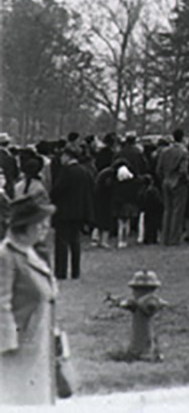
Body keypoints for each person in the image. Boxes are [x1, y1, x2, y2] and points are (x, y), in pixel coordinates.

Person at [0, 195, 58, 405]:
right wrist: (8, 346)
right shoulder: (6, 256)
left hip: (40, 345)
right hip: (19, 350)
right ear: (24, 225)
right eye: (39, 221)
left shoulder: (33, 253)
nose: (45, 226)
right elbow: (1, 304)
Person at [49, 147, 93, 281]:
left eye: (63, 156)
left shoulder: (66, 172)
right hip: (79, 211)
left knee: (61, 242)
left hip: (64, 211)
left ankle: (61, 271)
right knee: (75, 241)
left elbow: (57, 190)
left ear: (68, 157)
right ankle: (75, 271)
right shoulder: (84, 171)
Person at [155, 129, 189, 246]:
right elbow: (183, 170)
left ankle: (165, 238)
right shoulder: (184, 152)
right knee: (177, 212)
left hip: (166, 181)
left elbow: (158, 169)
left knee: (167, 210)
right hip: (178, 182)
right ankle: (174, 239)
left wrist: (164, 177)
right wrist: (186, 179)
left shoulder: (164, 151)